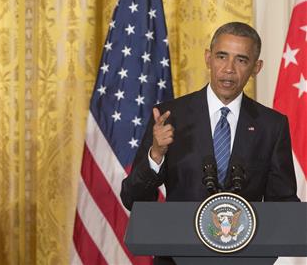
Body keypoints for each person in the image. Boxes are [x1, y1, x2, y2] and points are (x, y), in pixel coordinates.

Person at [121, 21, 299, 211]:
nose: (229, 68)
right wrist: (155, 155)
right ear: (208, 58)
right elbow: (132, 200)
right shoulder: (170, 117)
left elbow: (283, 205)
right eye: (221, 56)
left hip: (247, 239)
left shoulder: (271, 125)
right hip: (181, 238)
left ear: (256, 67)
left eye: (241, 60)